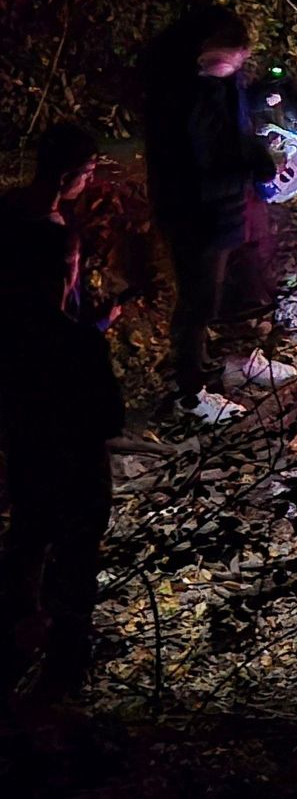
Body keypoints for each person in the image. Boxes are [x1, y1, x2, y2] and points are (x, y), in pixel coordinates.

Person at [0, 222, 125, 700]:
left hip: (28, 461)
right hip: (79, 470)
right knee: (74, 560)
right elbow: (109, 418)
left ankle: (14, 643)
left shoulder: (12, 338)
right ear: (65, 273)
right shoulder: (77, 344)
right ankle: (62, 666)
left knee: (27, 543)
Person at [143, 4, 278, 420]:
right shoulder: (180, 96)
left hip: (228, 206)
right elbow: (201, 164)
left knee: (241, 279)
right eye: (233, 56)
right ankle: (190, 393)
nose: (240, 63)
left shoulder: (219, 81)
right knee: (198, 300)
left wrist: (261, 96)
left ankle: (237, 357)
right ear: (204, 54)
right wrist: (256, 161)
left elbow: (230, 124)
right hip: (197, 215)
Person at [0, 123, 126, 331]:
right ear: (66, 177)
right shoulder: (61, 241)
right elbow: (57, 326)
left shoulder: (8, 203)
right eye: (87, 172)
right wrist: (104, 321)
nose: (91, 179)